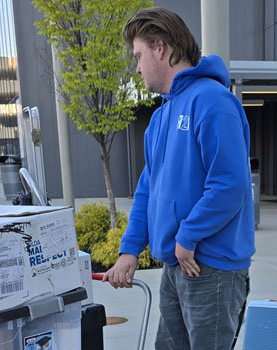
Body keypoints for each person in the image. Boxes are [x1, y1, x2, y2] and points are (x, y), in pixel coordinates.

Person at [103, 7, 255, 350]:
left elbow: (230, 185)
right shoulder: (161, 116)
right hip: (177, 264)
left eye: (138, 56)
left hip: (210, 266)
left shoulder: (213, 102)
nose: (137, 67)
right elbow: (148, 190)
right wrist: (130, 250)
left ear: (160, 48)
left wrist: (187, 236)